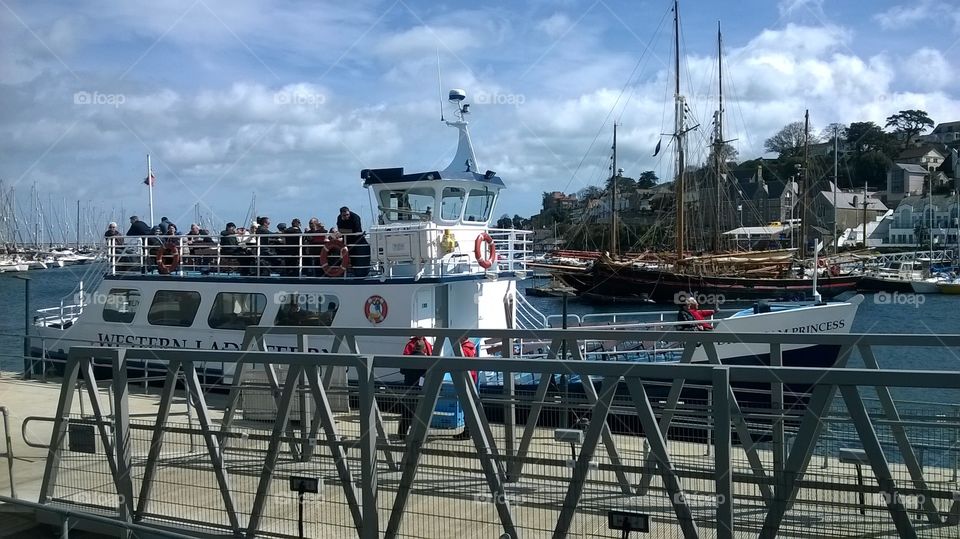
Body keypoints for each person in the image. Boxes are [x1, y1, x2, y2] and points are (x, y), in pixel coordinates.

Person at [397, 336, 433, 439]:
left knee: (406, 413)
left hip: (408, 388)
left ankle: (402, 434)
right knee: (421, 413)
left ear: (413, 348)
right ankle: (419, 436)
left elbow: (402, 371)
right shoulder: (427, 360)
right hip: (421, 389)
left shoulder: (407, 358)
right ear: (424, 349)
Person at [453, 337, 477, 440]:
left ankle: (467, 431)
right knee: (470, 407)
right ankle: (470, 430)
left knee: (467, 407)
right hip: (472, 380)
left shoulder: (464, 350)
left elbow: (461, 366)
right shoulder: (471, 348)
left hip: (466, 381)